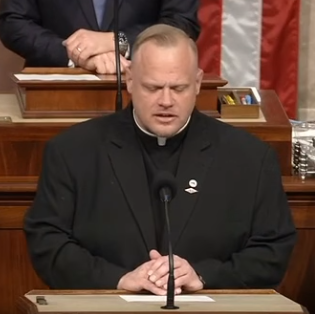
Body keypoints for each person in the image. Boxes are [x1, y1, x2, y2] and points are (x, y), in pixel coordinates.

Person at [24, 24, 296, 294]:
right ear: (129, 79)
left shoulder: (249, 158)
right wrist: (118, 279)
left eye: (178, 88)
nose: (166, 100)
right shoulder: (73, 151)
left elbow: (273, 250)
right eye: (153, 87)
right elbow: (47, 241)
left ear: (198, 83)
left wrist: (203, 276)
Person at [0, 0, 200, 74]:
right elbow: (13, 22)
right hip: (55, 98)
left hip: (145, 88)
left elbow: (181, 22)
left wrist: (117, 41)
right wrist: (76, 54)